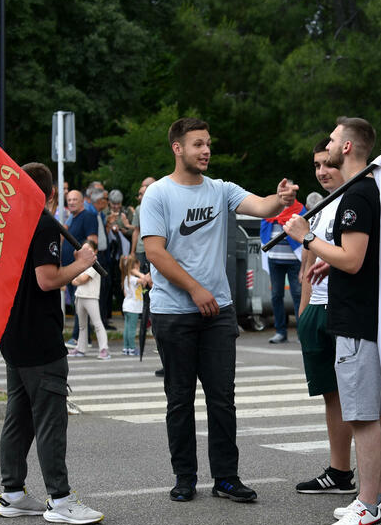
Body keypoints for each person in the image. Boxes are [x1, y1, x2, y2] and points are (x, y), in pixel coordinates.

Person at [140, 116, 297, 503]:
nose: (205, 150)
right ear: (177, 148)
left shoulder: (220, 189)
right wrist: (194, 289)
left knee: (222, 398)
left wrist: (281, 198)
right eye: (197, 144)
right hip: (174, 311)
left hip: (218, 311)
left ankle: (226, 477)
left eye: (208, 143)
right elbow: (155, 251)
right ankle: (185, 477)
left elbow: (262, 206)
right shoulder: (158, 195)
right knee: (179, 398)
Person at [285, 116, 381, 525]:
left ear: (346, 147)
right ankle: (376, 499)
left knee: (363, 416)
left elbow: (354, 258)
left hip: (357, 319)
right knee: (376, 413)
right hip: (367, 313)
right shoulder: (366, 189)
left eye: (331, 140)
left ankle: (368, 507)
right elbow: (356, 256)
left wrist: (307, 237)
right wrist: (332, 260)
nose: (327, 146)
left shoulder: (355, 196)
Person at [0, 162, 103, 525]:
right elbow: (46, 279)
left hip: (13, 333)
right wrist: (82, 262)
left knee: (19, 418)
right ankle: (60, 499)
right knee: (50, 421)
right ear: (51, 194)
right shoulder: (42, 224)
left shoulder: (7, 223)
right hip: (40, 338)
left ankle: (12, 493)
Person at [293, 138, 355, 495]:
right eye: (317, 165)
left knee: (360, 395)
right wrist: (303, 313)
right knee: (332, 394)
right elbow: (307, 263)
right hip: (316, 309)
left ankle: (379, 480)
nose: (322, 171)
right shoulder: (320, 207)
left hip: (346, 308)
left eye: (327, 164)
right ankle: (339, 471)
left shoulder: (356, 199)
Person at [263, 199, 304, 343]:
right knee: (276, 296)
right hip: (274, 260)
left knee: (298, 296)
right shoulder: (272, 209)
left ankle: (302, 333)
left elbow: (305, 236)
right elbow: (264, 229)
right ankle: (280, 332)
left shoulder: (300, 211)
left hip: (294, 261)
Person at [61, 189, 98, 349]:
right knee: (78, 303)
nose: (71, 202)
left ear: (83, 201)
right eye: (69, 200)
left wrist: (85, 265)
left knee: (82, 302)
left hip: (80, 268)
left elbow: (92, 241)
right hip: (71, 267)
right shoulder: (73, 218)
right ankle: (83, 338)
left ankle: (78, 337)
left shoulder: (88, 216)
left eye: (75, 199)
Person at [68, 241, 110, 360]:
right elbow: (73, 279)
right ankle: (81, 348)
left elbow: (83, 279)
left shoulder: (94, 264)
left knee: (97, 324)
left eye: (88, 249)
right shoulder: (80, 264)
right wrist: (77, 279)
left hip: (91, 297)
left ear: (95, 251)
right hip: (80, 296)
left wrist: (77, 280)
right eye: (84, 249)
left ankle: (104, 349)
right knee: (82, 325)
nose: (85, 252)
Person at [121, 255, 151, 356]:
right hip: (132, 307)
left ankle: (126, 347)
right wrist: (137, 273)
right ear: (134, 267)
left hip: (127, 306)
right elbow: (144, 279)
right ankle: (132, 348)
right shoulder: (133, 278)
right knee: (132, 329)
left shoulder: (126, 278)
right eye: (138, 267)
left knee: (127, 328)